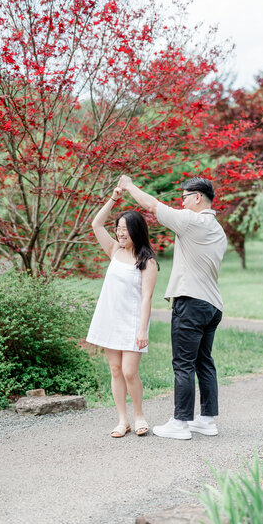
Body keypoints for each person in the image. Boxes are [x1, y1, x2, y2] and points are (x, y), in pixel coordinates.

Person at [119, 175, 227, 440]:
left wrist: (130, 185)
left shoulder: (192, 221)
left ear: (197, 197)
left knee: (183, 364)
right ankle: (207, 420)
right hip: (212, 305)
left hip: (190, 303)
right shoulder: (218, 229)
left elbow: (153, 206)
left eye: (184, 197)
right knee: (204, 362)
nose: (182, 201)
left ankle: (180, 423)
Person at [86, 186, 158, 438]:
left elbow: (147, 297)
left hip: (132, 322)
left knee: (129, 371)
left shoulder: (147, 261)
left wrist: (142, 329)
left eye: (125, 230)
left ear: (137, 231)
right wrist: (114, 198)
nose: (120, 233)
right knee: (115, 371)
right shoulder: (114, 250)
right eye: (118, 229)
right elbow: (96, 224)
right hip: (110, 319)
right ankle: (122, 419)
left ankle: (139, 415)